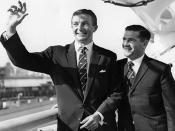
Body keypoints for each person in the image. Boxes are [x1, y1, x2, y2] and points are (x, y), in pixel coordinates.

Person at [0, 1, 122, 131]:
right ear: (71, 26)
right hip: (68, 127)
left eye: (85, 23)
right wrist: (11, 29)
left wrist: (99, 114)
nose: (79, 28)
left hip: (100, 127)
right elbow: (23, 60)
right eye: (75, 24)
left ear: (95, 27)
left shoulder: (108, 57)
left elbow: (117, 92)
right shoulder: (55, 54)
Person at [117, 24, 175, 131]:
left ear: (144, 43)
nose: (125, 44)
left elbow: (172, 109)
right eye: (124, 39)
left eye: (131, 40)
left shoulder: (161, 70)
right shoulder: (116, 67)